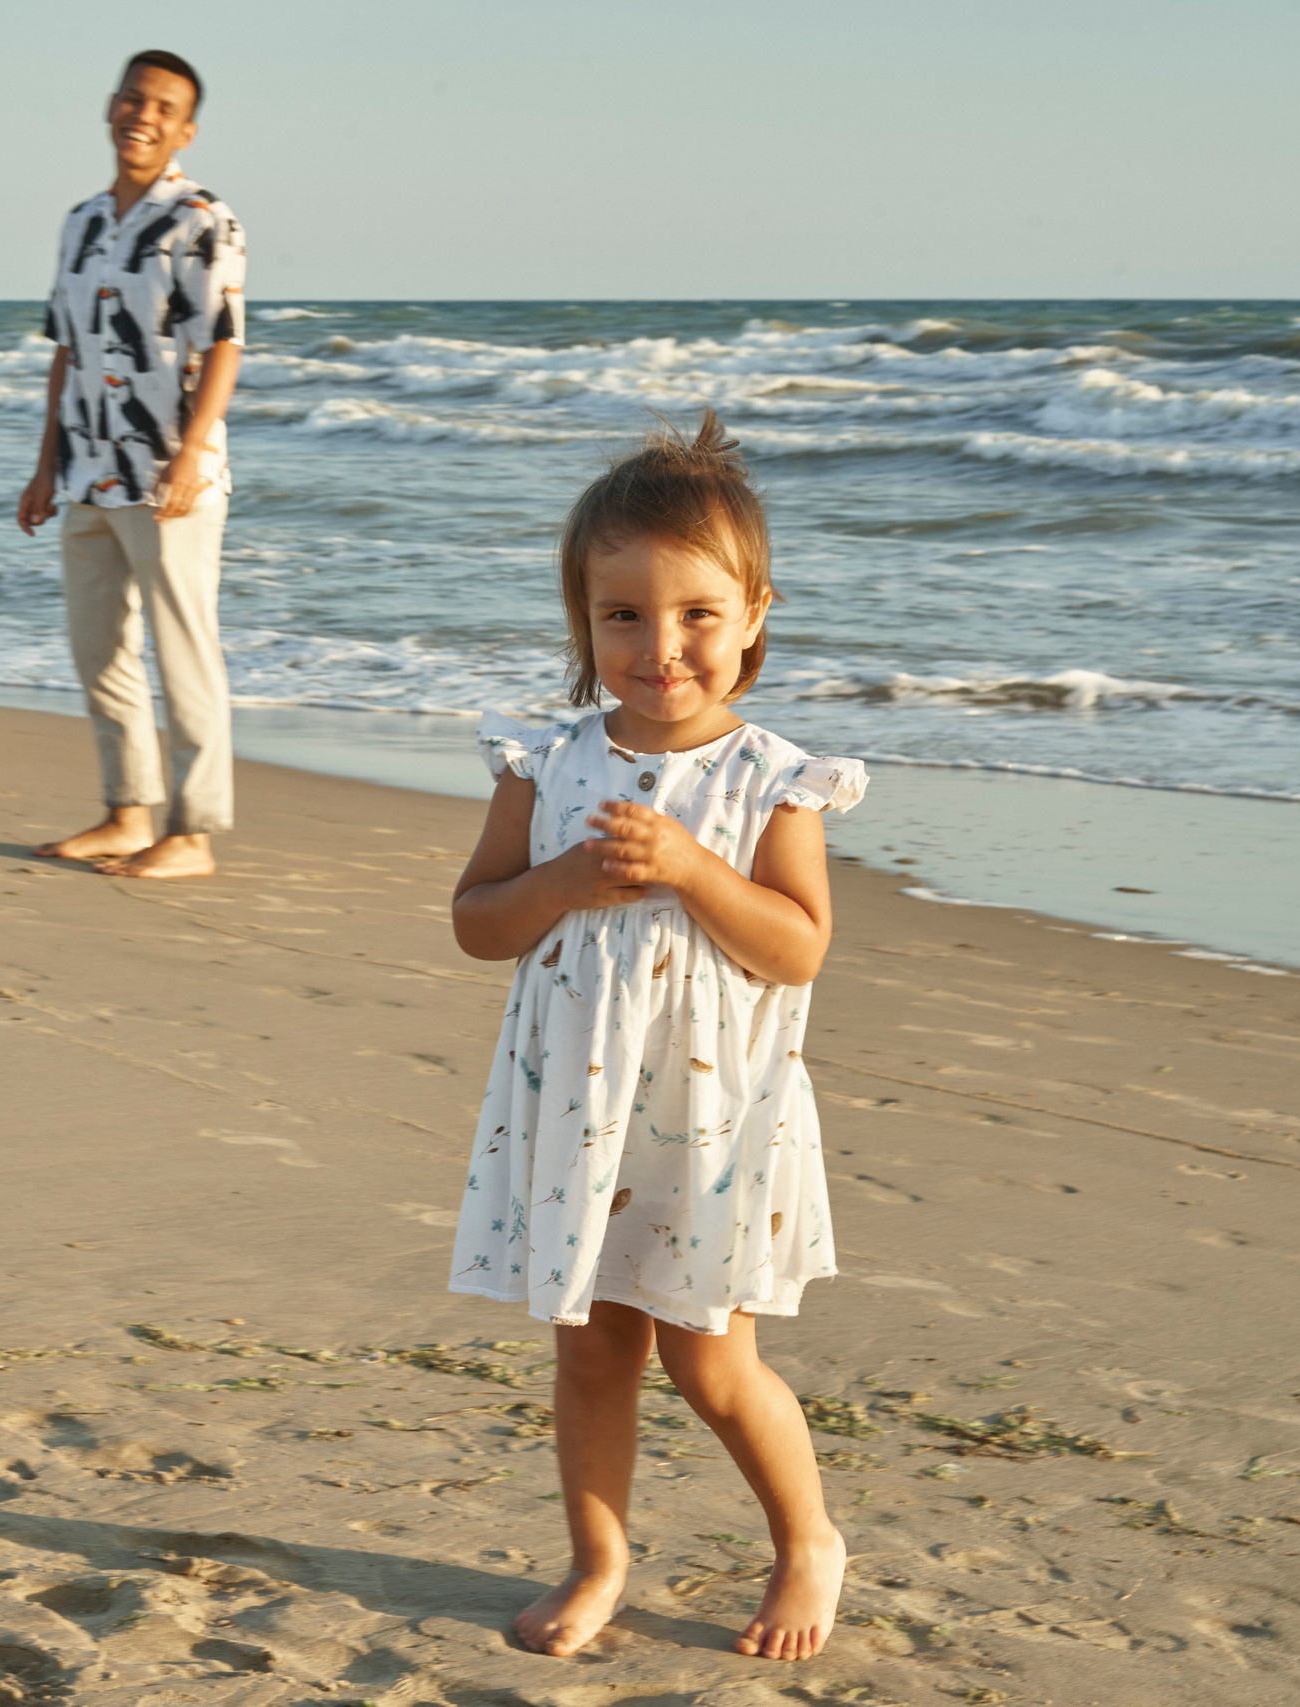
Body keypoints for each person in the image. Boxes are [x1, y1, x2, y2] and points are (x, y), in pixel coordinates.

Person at [447, 414, 868, 1662]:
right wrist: (564, 884)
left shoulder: (770, 779)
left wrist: (690, 868)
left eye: (694, 613)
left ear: (752, 615)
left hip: (710, 1115)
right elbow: (478, 925)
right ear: (581, 622)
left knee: (711, 1359)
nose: (659, 644)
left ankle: (806, 1539)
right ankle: (598, 1560)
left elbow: (796, 945)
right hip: (578, 1107)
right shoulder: (546, 763)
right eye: (620, 614)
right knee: (590, 1355)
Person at [18, 50, 246, 880]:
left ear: (184, 128)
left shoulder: (202, 220)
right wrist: (44, 466)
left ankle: (192, 834)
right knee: (98, 650)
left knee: (184, 652)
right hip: (85, 471)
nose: (140, 114)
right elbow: (66, 352)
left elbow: (224, 345)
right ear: (111, 108)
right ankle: (127, 812)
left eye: (162, 106)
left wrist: (190, 454)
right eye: (131, 98)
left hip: (169, 480)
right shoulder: (80, 222)